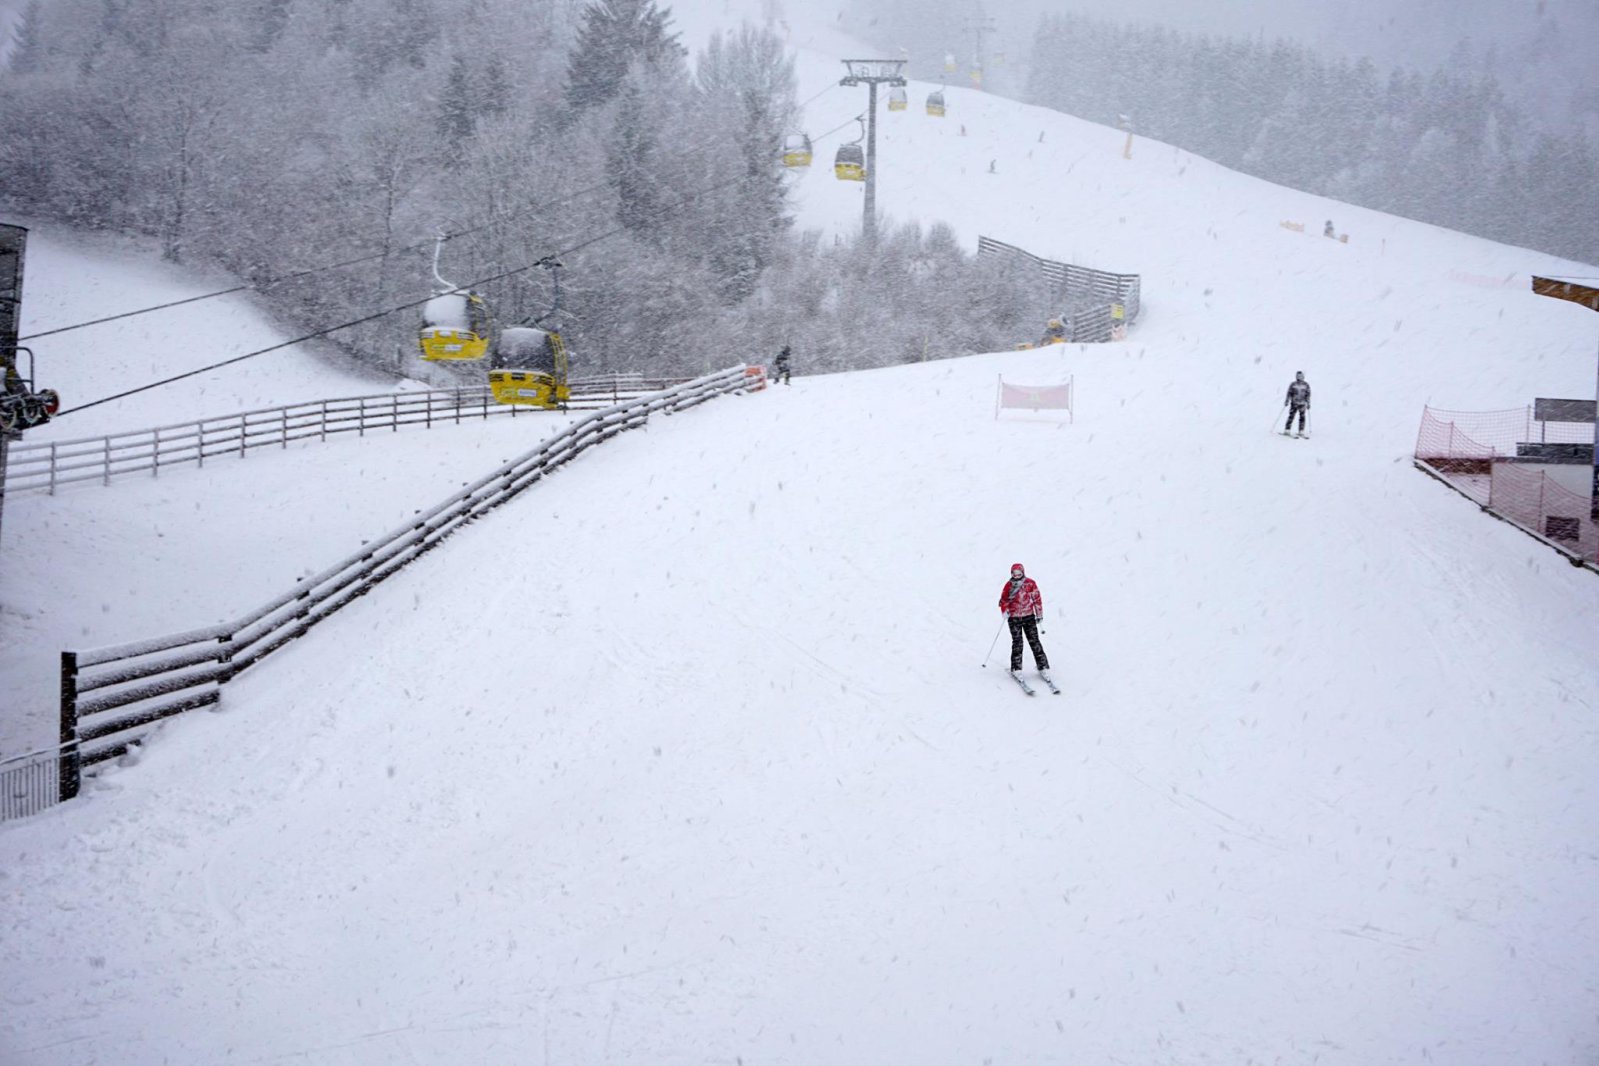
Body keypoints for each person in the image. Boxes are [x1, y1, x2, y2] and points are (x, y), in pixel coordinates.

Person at [998, 563, 1050, 675]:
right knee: (1017, 643)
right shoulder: (1009, 585)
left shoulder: (1030, 583)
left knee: (1034, 641)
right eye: (1014, 573)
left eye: (1019, 573)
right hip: (1014, 618)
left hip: (1029, 617)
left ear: (1023, 572)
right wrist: (1005, 611)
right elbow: (1003, 600)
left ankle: (1043, 666)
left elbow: (1037, 599)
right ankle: (1016, 669)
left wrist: (1039, 614)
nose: (1016, 575)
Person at [1284, 370, 1311, 435]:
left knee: (1302, 417)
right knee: (1291, 416)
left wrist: (1308, 403)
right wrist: (1287, 400)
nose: (1299, 377)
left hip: (1302, 404)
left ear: (1303, 377)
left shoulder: (1306, 385)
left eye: (1300, 376)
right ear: (1296, 377)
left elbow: (1308, 394)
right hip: (1294, 403)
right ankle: (1287, 429)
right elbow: (1289, 393)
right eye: (1298, 376)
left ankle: (1301, 430)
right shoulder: (1293, 384)